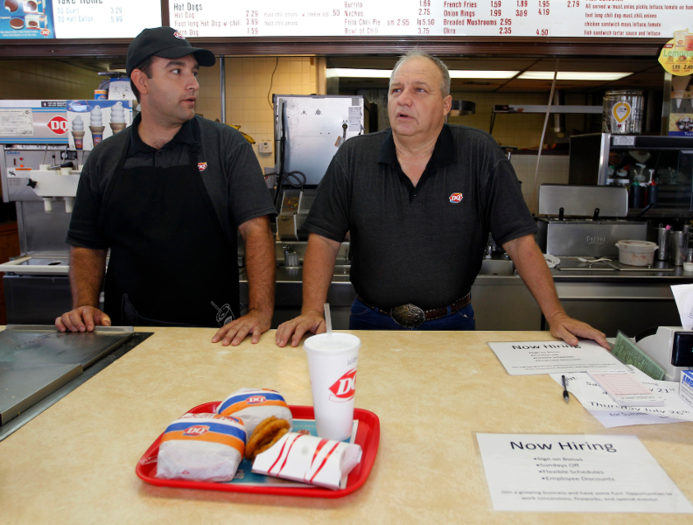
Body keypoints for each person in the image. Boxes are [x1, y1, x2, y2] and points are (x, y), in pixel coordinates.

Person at [276, 49, 608, 349]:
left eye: (419, 90)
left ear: (446, 105)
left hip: (451, 324)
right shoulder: (354, 156)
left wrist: (556, 315)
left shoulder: (479, 153)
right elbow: (325, 239)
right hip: (370, 323)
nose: (404, 99)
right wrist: (309, 311)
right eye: (396, 90)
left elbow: (519, 242)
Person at [56, 27, 276, 346]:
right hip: (127, 335)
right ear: (141, 81)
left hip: (216, 334)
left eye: (194, 72)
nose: (193, 83)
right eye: (176, 71)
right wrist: (85, 306)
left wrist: (259, 312)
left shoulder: (226, 146)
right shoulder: (105, 157)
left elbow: (256, 230)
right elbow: (87, 243)